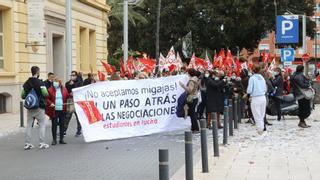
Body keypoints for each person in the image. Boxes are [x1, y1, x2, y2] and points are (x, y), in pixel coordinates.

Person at [21, 66, 49, 150]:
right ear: (37, 72)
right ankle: (41, 143)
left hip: (30, 107)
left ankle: (27, 143)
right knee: (41, 124)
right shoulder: (40, 83)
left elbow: (22, 95)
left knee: (29, 125)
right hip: (39, 107)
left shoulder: (26, 83)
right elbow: (45, 94)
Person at [46, 78, 69, 145]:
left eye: (56, 82)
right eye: (54, 82)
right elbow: (46, 98)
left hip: (62, 109)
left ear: (59, 83)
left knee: (62, 124)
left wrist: (74, 94)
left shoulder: (64, 89)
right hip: (54, 110)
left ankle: (61, 139)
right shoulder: (50, 90)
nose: (55, 83)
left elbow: (67, 96)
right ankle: (54, 140)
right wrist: (50, 103)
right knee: (54, 124)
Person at [247, 65, 267, 135]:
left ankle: (260, 129)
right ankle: (261, 127)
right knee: (262, 114)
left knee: (256, 114)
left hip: (255, 98)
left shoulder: (252, 78)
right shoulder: (262, 78)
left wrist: (248, 93)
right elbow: (265, 89)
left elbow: (249, 89)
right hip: (263, 97)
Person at [179, 68, 200, 133]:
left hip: (192, 98)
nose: (187, 74)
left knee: (192, 114)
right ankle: (194, 127)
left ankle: (195, 128)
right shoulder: (195, 78)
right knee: (192, 113)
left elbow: (189, 90)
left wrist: (182, 85)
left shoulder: (191, 80)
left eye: (188, 72)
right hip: (195, 97)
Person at [65, 71, 82, 137]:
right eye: (71, 75)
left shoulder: (79, 82)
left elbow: (79, 87)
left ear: (76, 76)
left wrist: (73, 85)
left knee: (78, 117)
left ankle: (79, 130)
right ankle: (64, 130)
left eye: (73, 75)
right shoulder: (68, 82)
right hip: (71, 101)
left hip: (77, 101)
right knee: (67, 116)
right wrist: (70, 85)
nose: (72, 76)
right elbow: (66, 87)